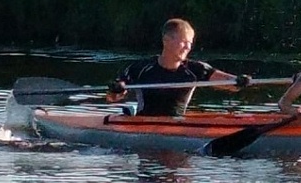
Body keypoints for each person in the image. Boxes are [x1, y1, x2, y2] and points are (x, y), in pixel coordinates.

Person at [107, 18, 251, 116]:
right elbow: (112, 97)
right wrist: (116, 90)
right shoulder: (140, 68)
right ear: (166, 41)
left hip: (176, 123)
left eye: (190, 42)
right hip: (144, 124)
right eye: (183, 42)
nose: (187, 47)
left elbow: (228, 83)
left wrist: (240, 81)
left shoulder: (196, 69)